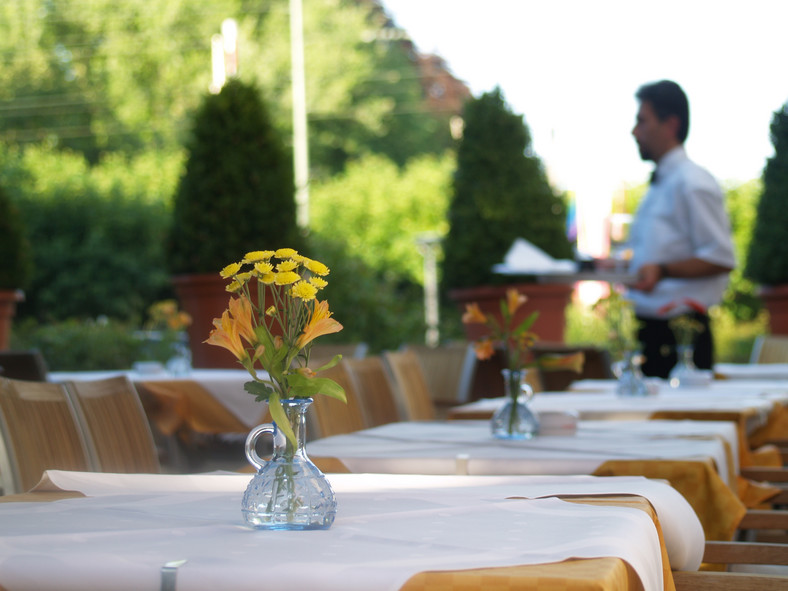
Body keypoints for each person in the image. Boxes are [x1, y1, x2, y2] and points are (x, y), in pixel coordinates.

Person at [626, 80, 735, 378]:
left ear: (671, 124)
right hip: (650, 328)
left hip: (682, 337)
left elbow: (721, 258)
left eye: (642, 121)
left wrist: (661, 270)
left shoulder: (693, 182)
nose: (634, 131)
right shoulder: (659, 185)